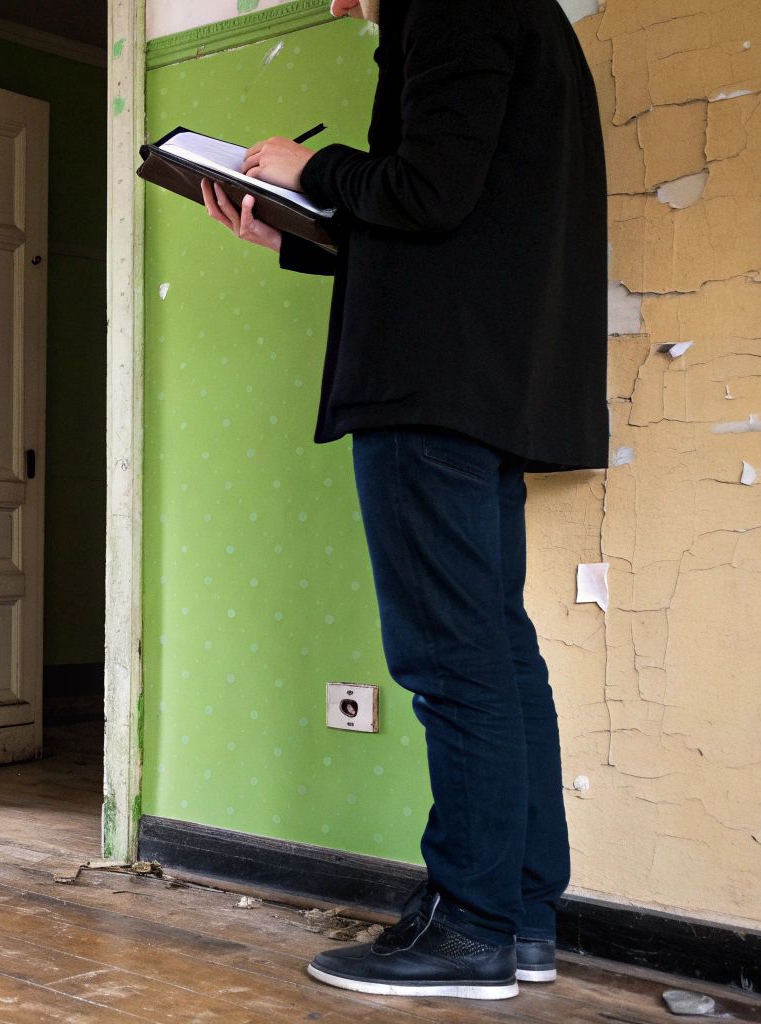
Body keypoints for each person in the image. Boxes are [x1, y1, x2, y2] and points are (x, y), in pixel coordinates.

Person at [199, 0, 608, 1001]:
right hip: (482, 382)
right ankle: (515, 920)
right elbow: (460, 218)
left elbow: (426, 188)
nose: (340, 3)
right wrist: (289, 233)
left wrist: (309, 166)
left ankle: (469, 929)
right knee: (495, 652)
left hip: (428, 387)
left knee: (449, 657)